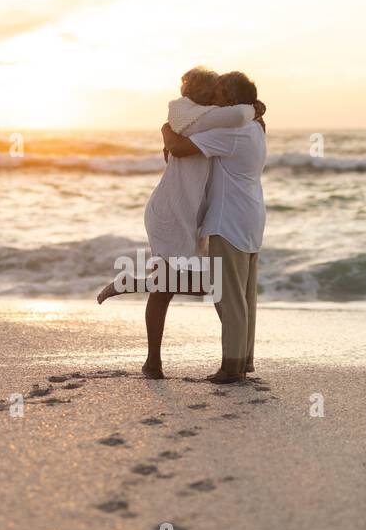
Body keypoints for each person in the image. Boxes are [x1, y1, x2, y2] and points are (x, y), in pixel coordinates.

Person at [96, 67, 258, 379]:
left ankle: (129, 286)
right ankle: (152, 361)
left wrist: (167, 132)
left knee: (211, 284)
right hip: (172, 215)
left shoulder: (197, 120)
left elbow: (229, 120)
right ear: (205, 96)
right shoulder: (199, 118)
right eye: (215, 93)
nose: (218, 100)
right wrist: (254, 108)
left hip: (188, 216)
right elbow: (236, 116)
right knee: (170, 288)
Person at [159, 71, 267, 384]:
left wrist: (166, 128)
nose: (213, 102)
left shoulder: (233, 132)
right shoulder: (256, 128)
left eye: (219, 95)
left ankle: (230, 369)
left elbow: (179, 147)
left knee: (228, 296)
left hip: (228, 221)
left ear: (232, 99)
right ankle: (243, 361)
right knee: (245, 296)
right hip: (251, 217)